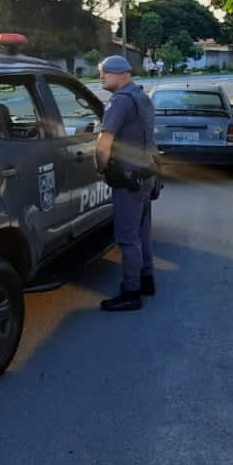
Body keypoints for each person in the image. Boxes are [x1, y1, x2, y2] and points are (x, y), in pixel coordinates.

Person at [95, 55, 158, 312]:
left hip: (128, 177)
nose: (102, 77)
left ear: (123, 75)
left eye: (106, 73)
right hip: (146, 173)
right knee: (142, 232)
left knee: (127, 238)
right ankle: (147, 279)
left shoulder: (120, 101)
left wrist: (101, 167)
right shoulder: (141, 96)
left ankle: (131, 292)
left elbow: (104, 141)